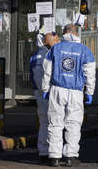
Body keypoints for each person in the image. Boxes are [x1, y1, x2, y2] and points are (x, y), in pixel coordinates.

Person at [41, 24, 95, 167]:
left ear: (63, 33)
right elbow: (90, 74)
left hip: (57, 89)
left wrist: (45, 89)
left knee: (55, 123)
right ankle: (70, 156)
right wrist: (89, 92)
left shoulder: (55, 49)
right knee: (73, 124)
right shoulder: (85, 50)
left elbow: (47, 70)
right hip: (76, 92)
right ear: (76, 33)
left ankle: (54, 156)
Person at [29, 31, 58, 163]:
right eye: (55, 40)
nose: (57, 43)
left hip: (39, 92)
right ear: (47, 41)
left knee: (44, 123)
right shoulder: (47, 55)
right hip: (47, 92)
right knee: (52, 123)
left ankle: (43, 150)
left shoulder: (35, 55)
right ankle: (51, 151)